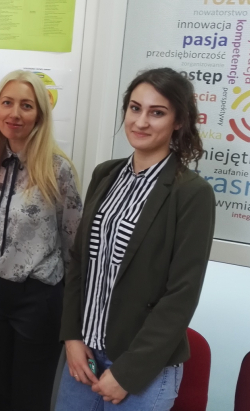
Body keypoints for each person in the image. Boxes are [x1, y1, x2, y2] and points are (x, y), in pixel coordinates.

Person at [56, 68, 216, 410]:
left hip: (142, 367)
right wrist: (71, 336)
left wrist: (128, 372)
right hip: (84, 355)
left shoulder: (192, 193)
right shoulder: (105, 173)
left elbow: (182, 294)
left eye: (156, 113)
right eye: (135, 108)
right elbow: (80, 262)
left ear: (178, 121)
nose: (141, 121)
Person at [0, 70, 82, 411]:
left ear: (40, 115)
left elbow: (74, 244)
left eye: (26, 105)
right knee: (3, 394)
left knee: (30, 400)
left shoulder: (57, 170)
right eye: (7, 103)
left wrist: (73, 314)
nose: (15, 114)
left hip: (38, 298)